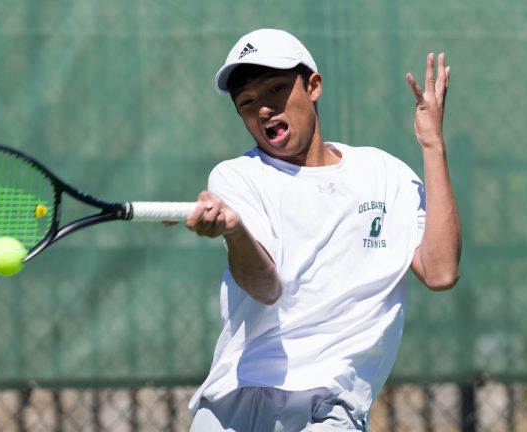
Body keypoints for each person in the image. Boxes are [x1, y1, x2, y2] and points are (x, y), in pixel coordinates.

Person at [184, 28, 462, 431]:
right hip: (236, 404)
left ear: (313, 86)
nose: (263, 109)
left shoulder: (385, 174)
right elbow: (264, 287)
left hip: (330, 412)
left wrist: (433, 146)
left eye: (275, 89)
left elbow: (440, 271)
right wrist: (235, 233)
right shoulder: (237, 178)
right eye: (247, 103)